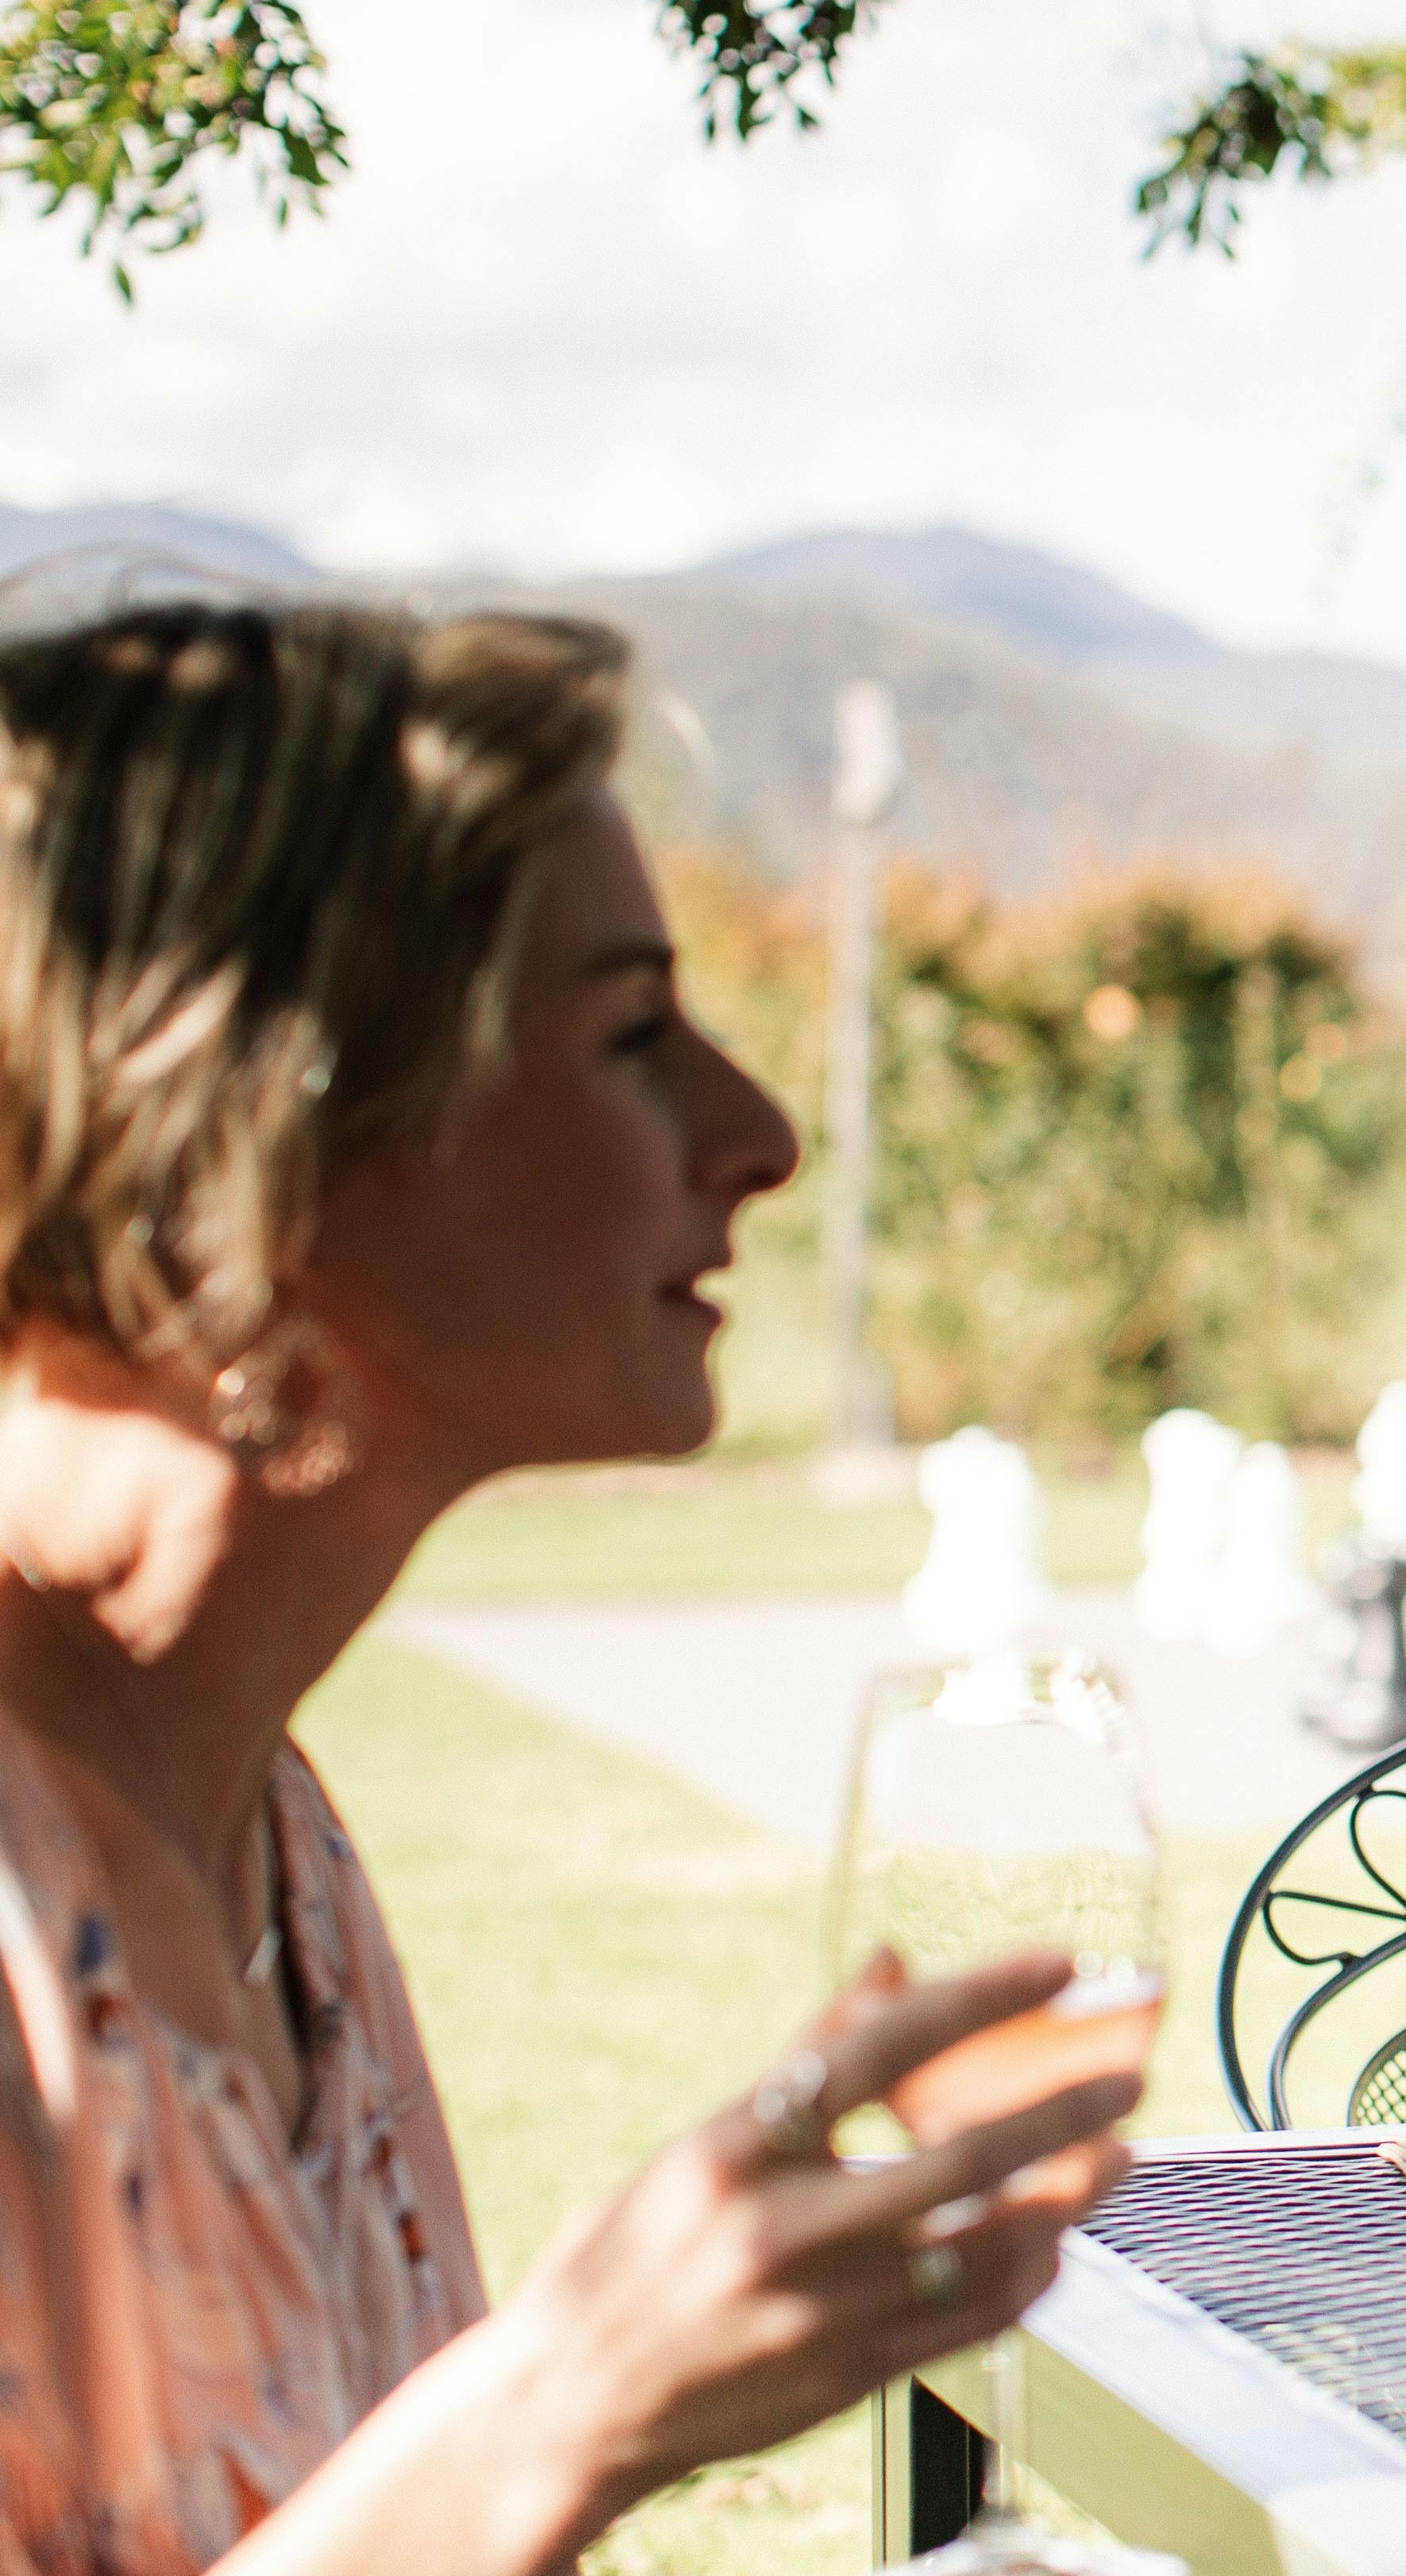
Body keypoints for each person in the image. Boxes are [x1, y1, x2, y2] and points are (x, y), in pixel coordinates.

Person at [0, 603, 1145, 2574]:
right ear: (250, 1129)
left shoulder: (273, 1838)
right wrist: (566, 2405)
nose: (759, 1138)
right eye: (630, 1035)